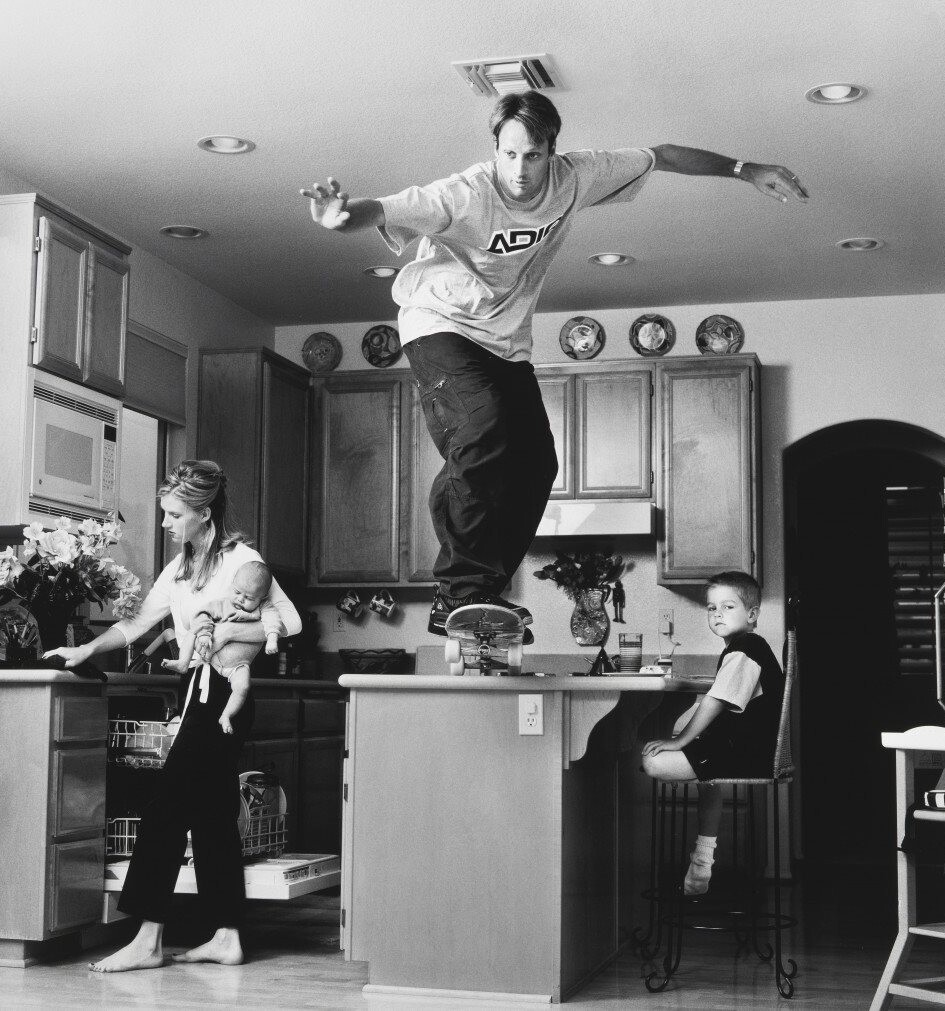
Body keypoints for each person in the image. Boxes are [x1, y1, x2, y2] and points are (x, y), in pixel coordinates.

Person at [300, 90, 808, 641]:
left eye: (533, 155)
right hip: (438, 322)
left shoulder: (578, 176)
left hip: (506, 340)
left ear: (552, 151)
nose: (519, 171)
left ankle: (481, 586)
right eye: (509, 154)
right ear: (496, 149)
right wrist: (342, 217)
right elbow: (388, 208)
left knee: (538, 462)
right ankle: (462, 590)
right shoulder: (465, 193)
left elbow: (662, 154)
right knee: (482, 434)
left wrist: (745, 169)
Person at [44, 459, 301, 971]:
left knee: (165, 808)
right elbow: (141, 620)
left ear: (205, 514)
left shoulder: (242, 562)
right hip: (195, 691)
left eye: (174, 514)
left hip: (225, 694)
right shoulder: (182, 566)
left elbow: (289, 624)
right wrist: (85, 650)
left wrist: (228, 634)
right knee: (210, 815)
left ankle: (148, 938)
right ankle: (226, 935)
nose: (165, 523)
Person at [641, 571, 783, 895]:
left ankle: (702, 865)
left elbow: (715, 701)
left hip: (748, 754)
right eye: (711, 608)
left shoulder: (745, 648)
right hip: (752, 752)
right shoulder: (746, 647)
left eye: (727, 606)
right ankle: (701, 866)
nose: (717, 614)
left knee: (652, 762)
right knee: (707, 777)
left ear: (752, 614)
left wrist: (678, 741)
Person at [162, 559, 282, 735]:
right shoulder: (223, 603)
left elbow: (274, 621)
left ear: (262, 598)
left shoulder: (265, 608)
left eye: (249, 598)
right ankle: (182, 662)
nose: (240, 599)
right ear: (232, 585)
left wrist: (272, 639)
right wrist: (204, 634)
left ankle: (226, 715)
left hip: (237, 666)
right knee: (193, 631)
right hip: (210, 659)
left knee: (242, 687)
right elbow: (202, 615)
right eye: (237, 592)